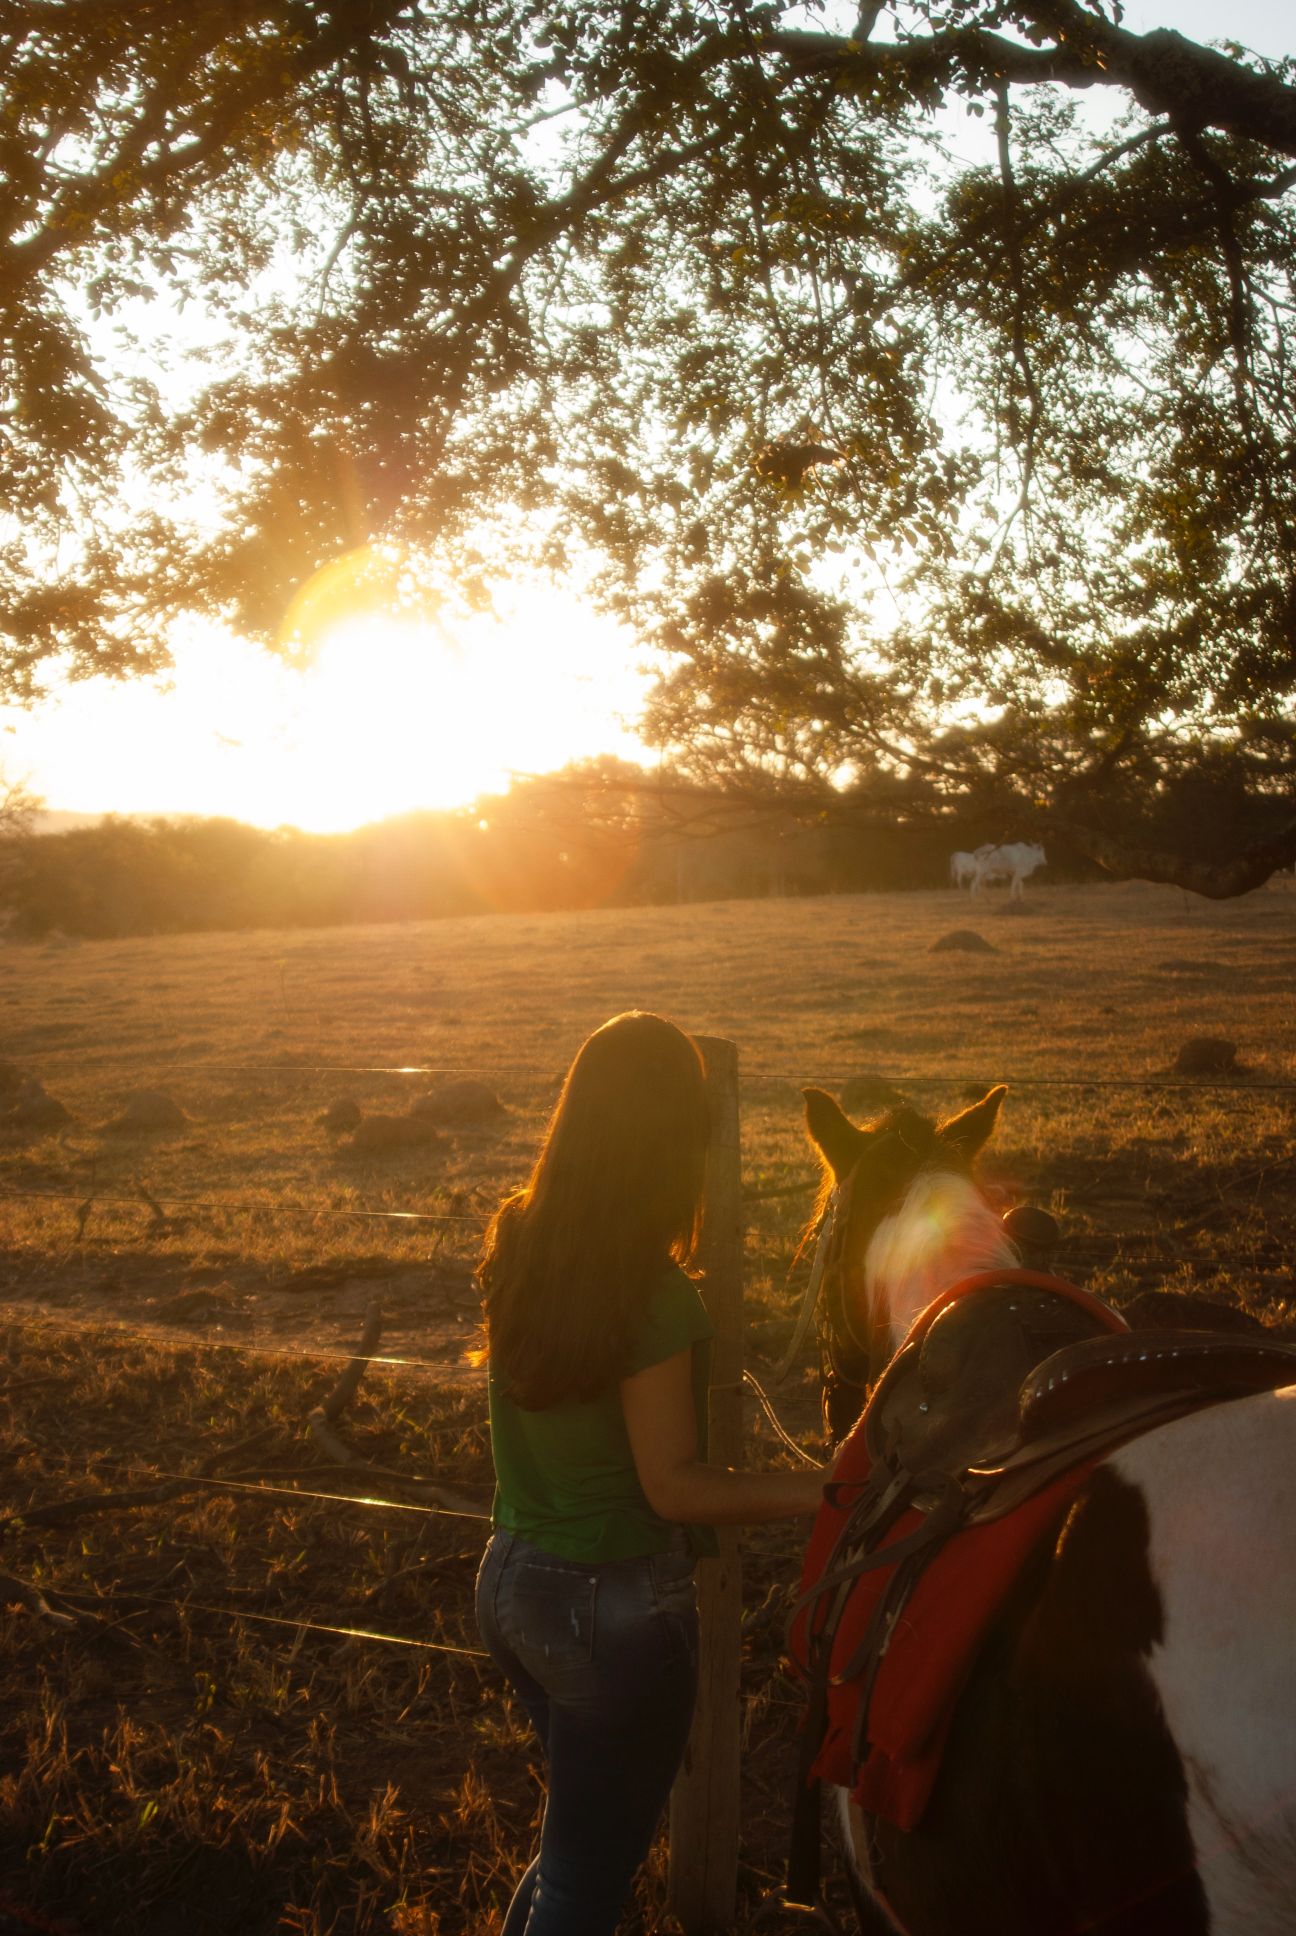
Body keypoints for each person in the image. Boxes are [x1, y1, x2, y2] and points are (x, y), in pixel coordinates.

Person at [474, 1010, 826, 1936]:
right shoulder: (655, 1297)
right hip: (608, 1612)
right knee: (585, 1885)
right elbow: (673, 1486)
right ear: (677, 1140)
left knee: (572, 1855)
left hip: (510, 1583)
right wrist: (824, 1490)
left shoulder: (520, 1240)